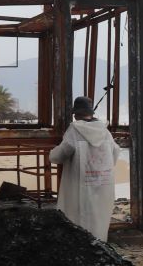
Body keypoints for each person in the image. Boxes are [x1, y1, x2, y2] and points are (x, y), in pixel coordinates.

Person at [49, 96, 121, 240]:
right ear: (91, 112)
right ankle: (100, 244)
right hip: (102, 183)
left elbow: (60, 155)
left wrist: (51, 153)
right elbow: (115, 151)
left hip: (79, 183)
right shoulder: (105, 131)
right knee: (99, 217)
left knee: (78, 218)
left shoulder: (75, 130)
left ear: (75, 114)